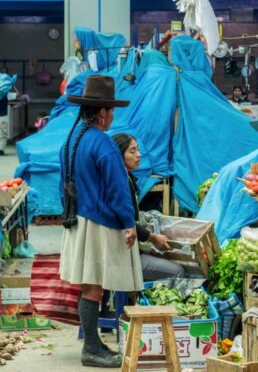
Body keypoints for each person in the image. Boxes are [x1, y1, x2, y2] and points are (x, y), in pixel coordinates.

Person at [59, 75, 138, 368]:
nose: (112, 117)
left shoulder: (70, 141)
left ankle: (93, 343)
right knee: (93, 288)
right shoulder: (102, 143)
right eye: (111, 111)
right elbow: (118, 189)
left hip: (76, 220)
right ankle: (91, 348)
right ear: (103, 113)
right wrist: (129, 222)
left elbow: (62, 186)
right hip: (97, 223)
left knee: (88, 286)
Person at [112, 133, 186, 280]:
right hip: (124, 255)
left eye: (138, 150)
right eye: (132, 151)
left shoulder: (127, 177)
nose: (138, 155)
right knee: (178, 271)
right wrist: (152, 237)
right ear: (120, 155)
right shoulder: (120, 182)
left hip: (130, 248)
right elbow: (125, 221)